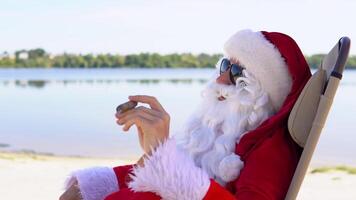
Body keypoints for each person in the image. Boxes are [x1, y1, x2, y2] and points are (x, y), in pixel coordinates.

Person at [60, 29, 311, 200]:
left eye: (237, 73)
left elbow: (177, 177)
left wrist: (164, 156)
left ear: (262, 94)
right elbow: (161, 175)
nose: (221, 79)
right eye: (224, 65)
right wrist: (99, 184)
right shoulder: (216, 132)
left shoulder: (270, 152)